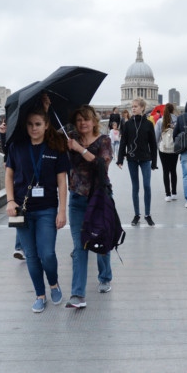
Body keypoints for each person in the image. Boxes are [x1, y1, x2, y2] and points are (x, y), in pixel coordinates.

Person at [4, 104, 70, 313]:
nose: (34, 128)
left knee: (47, 254)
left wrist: (61, 211)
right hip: (22, 210)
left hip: (47, 209)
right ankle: (40, 295)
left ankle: (54, 284)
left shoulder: (56, 147)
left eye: (38, 124)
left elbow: (62, 183)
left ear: (47, 125)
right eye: (31, 124)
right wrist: (10, 200)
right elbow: (9, 175)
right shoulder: (17, 146)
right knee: (31, 256)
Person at [65, 105, 114, 308]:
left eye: (86, 119)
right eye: (78, 120)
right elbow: (47, 136)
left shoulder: (104, 140)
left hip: (99, 197)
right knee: (80, 246)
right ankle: (78, 294)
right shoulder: (70, 138)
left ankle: (105, 277)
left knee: (100, 240)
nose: (82, 123)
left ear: (94, 121)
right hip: (77, 198)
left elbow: (102, 164)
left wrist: (80, 149)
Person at [116, 97, 158, 226]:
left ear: (142, 108)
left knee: (147, 186)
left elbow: (153, 144)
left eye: (136, 106)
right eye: (132, 106)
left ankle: (148, 214)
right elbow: (123, 142)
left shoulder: (148, 124)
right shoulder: (128, 124)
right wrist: (120, 158)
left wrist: (154, 162)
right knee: (135, 187)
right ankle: (136, 214)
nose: (133, 108)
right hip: (132, 159)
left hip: (145, 159)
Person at [0, 120, 25, 260]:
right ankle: (20, 247)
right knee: (20, 209)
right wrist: (3, 134)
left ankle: (21, 247)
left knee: (24, 211)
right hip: (19, 176)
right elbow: (9, 150)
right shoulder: (16, 123)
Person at [154, 103, 179, 202]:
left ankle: (167, 194)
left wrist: (158, 147)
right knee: (173, 170)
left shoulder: (160, 121)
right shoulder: (177, 120)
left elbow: (156, 137)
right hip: (174, 149)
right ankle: (174, 193)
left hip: (163, 149)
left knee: (165, 171)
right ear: (173, 110)